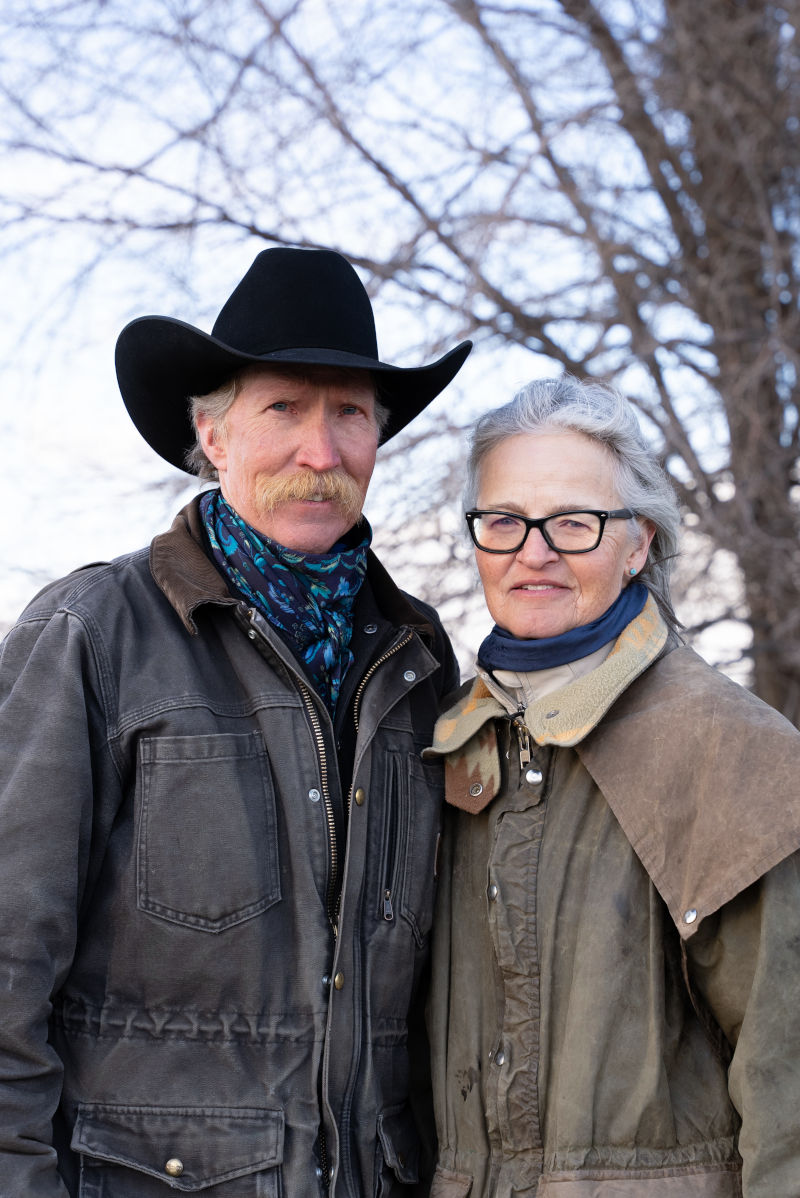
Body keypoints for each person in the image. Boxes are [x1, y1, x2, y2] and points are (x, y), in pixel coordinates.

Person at [0, 246, 471, 1197]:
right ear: (213, 438)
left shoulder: (418, 664)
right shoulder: (92, 634)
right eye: (284, 409)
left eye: (350, 413)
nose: (321, 451)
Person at [424, 375, 800, 1198]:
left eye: (574, 522)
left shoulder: (735, 755)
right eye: (504, 521)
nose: (534, 551)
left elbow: (793, 1093)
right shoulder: (437, 749)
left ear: (639, 544)